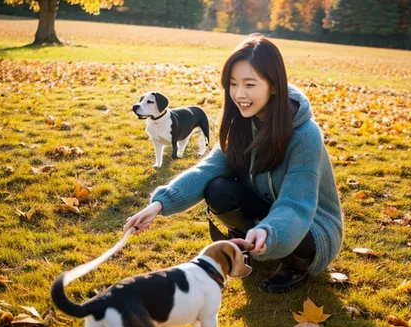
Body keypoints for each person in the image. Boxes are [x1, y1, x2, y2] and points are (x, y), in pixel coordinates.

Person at [124, 34, 343, 293]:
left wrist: (270, 230)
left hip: (311, 225)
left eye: (250, 84)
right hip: (269, 211)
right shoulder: (241, 121)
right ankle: (254, 243)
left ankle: (294, 264)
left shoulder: (305, 135)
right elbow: (209, 168)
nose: (240, 94)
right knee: (217, 187)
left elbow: (296, 205)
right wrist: (160, 204)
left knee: (286, 226)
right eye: (233, 84)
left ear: (273, 85)